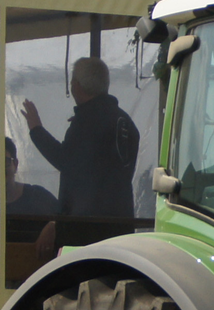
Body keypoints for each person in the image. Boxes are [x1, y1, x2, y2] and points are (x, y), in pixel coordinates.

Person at [22, 56, 140, 233]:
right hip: (121, 223)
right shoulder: (126, 123)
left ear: (77, 85)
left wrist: (36, 130)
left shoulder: (87, 122)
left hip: (86, 226)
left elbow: (65, 161)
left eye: (72, 81)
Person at [0, 135, 60, 258]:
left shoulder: (38, 196)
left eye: (4, 161)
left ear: (16, 164)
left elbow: (65, 217)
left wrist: (53, 225)